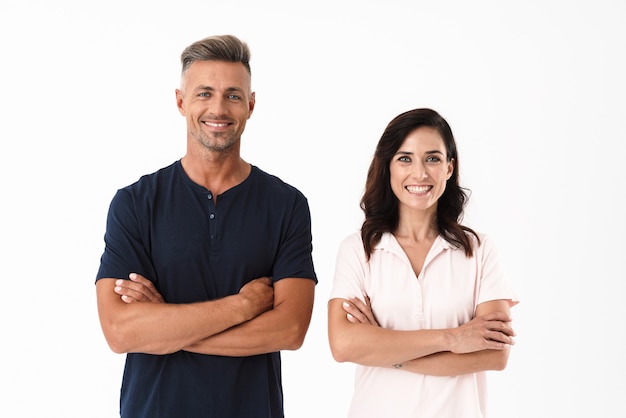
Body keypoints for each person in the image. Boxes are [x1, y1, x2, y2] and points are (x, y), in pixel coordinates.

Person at [95, 34, 317, 418]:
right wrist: (241, 306)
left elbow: (290, 330)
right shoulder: (134, 203)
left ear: (250, 105)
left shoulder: (286, 204)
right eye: (204, 93)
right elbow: (120, 331)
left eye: (233, 95)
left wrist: (166, 328)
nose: (219, 108)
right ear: (181, 101)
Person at [327, 108, 518, 418]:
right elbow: (344, 345)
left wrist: (385, 350)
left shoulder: (480, 251)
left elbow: (495, 355)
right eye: (405, 158)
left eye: (432, 158)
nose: (420, 173)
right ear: (387, 166)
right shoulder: (357, 250)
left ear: (449, 168)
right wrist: (453, 338)